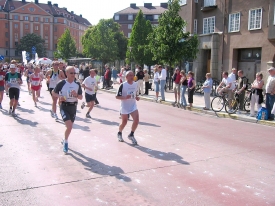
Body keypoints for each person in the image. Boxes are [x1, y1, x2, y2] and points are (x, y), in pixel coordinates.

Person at [52, 66, 83, 153]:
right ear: (67, 73)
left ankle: (64, 138)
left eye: (74, 73)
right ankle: (66, 142)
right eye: (71, 73)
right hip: (64, 106)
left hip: (73, 106)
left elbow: (81, 97)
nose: (73, 75)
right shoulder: (61, 83)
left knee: (69, 127)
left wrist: (76, 95)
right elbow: (53, 92)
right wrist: (60, 96)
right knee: (69, 126)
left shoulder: (77, 84)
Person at [116, 71, 140, 145]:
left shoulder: (136, 84)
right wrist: (125, 97)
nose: (131, 76)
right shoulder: (123, 85)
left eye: (132, 75)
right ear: (126, 77)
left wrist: (137, 97)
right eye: (129, 75)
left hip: (133, 105)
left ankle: (131, 134)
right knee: (124, 122)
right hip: (125, 106)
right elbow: (117, 96)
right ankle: (119, 133)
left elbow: (135, 94)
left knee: (136, 120)